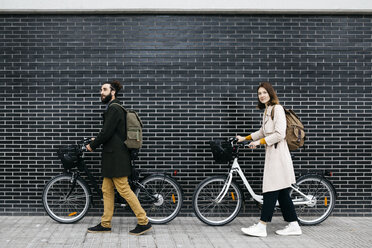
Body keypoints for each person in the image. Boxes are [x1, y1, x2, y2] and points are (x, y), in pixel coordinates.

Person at [86, 80, 152, 235]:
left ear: (113, 92)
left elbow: (106, 132)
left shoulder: (114, 109)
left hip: (116, 158)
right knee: (106, 190)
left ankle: (144, 221)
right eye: (101, 89)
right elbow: (112, 134)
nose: (101, 92)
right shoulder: (115, 108)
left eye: (104, 89)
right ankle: (105, 223)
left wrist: (92, 145)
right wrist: (97, 140)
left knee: (123, 189)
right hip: (112, 157)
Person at [236, 82, 302, 237]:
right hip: (273, 155)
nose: (262, 95)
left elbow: (280, 134)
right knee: (282, 194)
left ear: (271, 93)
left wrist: (259, 143)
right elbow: (262, 131)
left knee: (270, 189)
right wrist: (244, 138)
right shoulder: (267, 110)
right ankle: (294, 225)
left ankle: (262, 225)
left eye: (264, 92)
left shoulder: (277, 109)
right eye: (259, 93)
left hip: (279, 156)